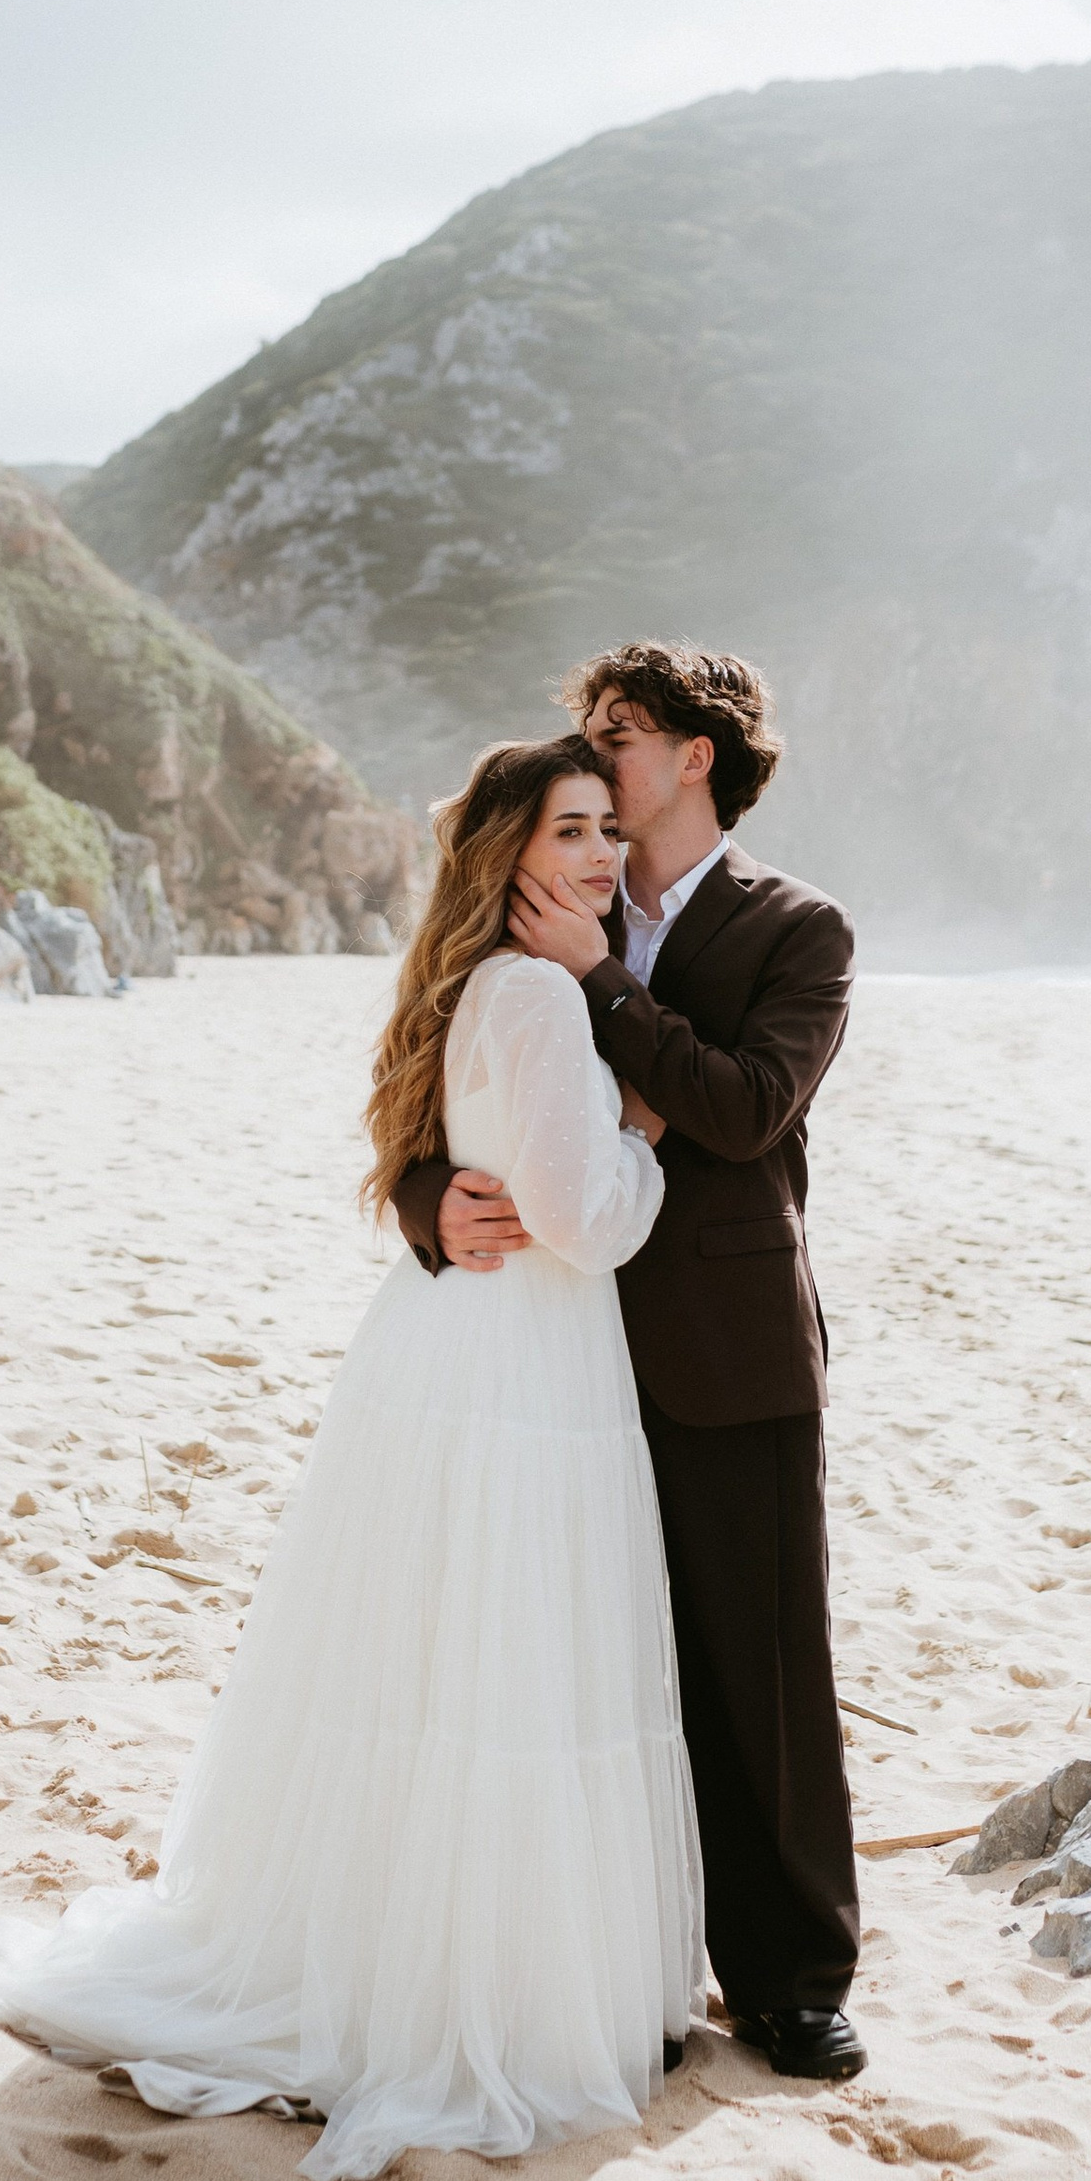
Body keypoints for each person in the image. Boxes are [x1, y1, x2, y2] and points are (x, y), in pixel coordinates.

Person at [0, 737, 703, 2181]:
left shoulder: (472, 984)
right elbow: (588, 1221)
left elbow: (460, 1159)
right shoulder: (541, 995)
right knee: (503, 1667)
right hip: (521, 1364)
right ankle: (469, 1991)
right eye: (574, 833)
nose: (605, 857)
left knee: (433, 1668)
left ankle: (391, 1951)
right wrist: (648, 1129)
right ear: (512, 859)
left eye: (613, 830)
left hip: (449, 1352)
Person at [394, 644, 864, 2082]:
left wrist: (601, 982)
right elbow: (449, 1084)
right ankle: (629, 1964)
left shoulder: (799, 929)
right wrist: (432, 1203)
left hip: (728, 1353)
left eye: (621, 736)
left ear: (695, 756)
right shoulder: (543, 908)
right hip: (556, 1363)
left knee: (760, 1675)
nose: (595, 759)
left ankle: (791, 1981)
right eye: (587, 740)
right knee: (597, 1678)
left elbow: (739, 1112)